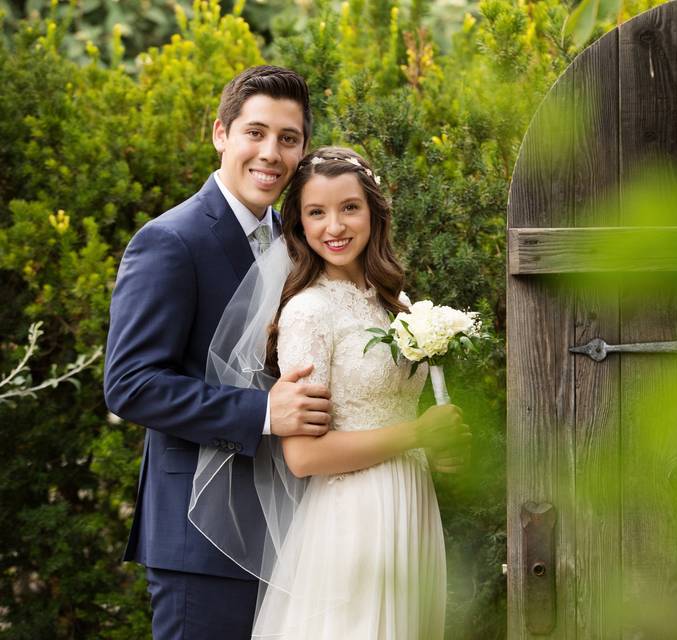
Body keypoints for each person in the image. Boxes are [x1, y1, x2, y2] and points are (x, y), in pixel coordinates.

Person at [193, 146, 470, 639]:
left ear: (373, 212)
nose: (334, 227)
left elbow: (401, 407)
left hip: (409, 504)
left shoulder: (398, 303)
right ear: (298, 225)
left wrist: (441, 443)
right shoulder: (308, 312)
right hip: (353, 517)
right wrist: (417, 435)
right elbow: (303, 457)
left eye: (349, 208)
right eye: (316, 213)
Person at [103, 66, 333, 639]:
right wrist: (261, 414)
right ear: (220, 134)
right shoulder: (170, 240)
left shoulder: (298, 240)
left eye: (288, 139)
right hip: (199, 543)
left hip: (292, 531)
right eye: (255, 132)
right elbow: (130, 383)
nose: (270, 153)